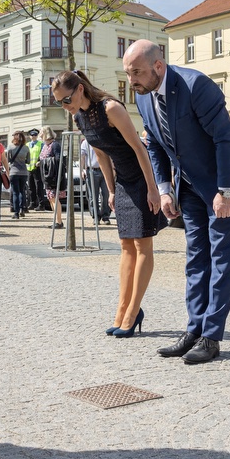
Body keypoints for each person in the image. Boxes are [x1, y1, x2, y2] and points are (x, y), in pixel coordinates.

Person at [124, 40, 230, 364]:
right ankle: (194, 329)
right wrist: (165, 188)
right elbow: (154, 144)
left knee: (221, 257)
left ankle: (212, 337)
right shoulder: (143, 98)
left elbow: (225, 139)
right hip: (189, 185)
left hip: (223, 181)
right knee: (196, 257)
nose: (132, 81)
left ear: (158, 66)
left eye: (137, 73)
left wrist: (225, 192)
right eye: (127, 74)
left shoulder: (196, 86)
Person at [54, 70, 166, 337]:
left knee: (142, 244)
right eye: (59, 102)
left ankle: (132, 311)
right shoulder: (79, 116)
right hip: (124, 182)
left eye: (66, 99)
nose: (65, 106)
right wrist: (112, 190)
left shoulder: (111, 108)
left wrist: (154, 190)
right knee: (126, 246)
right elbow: (100, 154)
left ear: (80, 89)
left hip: (141, 177)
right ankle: (123, 309)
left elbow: (140, 149)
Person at [80, 137, 111, 225]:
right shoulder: (86, 142)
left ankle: (106, 216)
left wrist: (112, 170)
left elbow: (110, 155)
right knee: (93, 196)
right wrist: (82, 170)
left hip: (105, 170)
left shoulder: (104, 139)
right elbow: (82, 156)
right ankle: (96, 216)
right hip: (92, 171)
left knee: (106, 194)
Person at [39, 126, 65, 228]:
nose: (40, 133)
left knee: (54, 198)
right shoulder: (44, 145)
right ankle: (56, 220)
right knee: (50, 198)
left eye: (41, 131)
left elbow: (58, 160)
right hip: (46, 176)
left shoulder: (55, 145)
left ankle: (59, 222)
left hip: (53, 176)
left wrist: (44, 161)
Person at [7, 131, 30, 219]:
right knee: (22, 191)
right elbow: (28, 161)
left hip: (14, 172)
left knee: (15, 192)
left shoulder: (10, 147)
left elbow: (8, 159)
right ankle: (22, 209)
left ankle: (16, 213)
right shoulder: (26, 148)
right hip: (24, 172)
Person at [26, 128, 46, 210]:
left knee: (39, 187)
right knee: (31, 187)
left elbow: (43, 155)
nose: (33, 136)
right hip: (29, 168)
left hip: (37, 168)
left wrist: (40, 162)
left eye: (35, 135)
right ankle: (32, 203)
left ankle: (41, 204)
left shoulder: (41, 144)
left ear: (37, 136)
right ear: (29, 136)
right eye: (32, 135)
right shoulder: (27, 145)